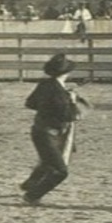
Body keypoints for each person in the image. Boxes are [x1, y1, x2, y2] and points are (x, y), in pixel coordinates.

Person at [20, 52, 88, 204]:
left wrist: (52, 102)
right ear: (66, 73)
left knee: (47, 162)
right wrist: (70, 101)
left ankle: (29, 185)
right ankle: (32, 196)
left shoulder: (45, 85)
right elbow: (69, 116)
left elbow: (30, 103)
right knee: (60, 171)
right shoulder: (59, 92)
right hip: (50, 134)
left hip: (39, 130)